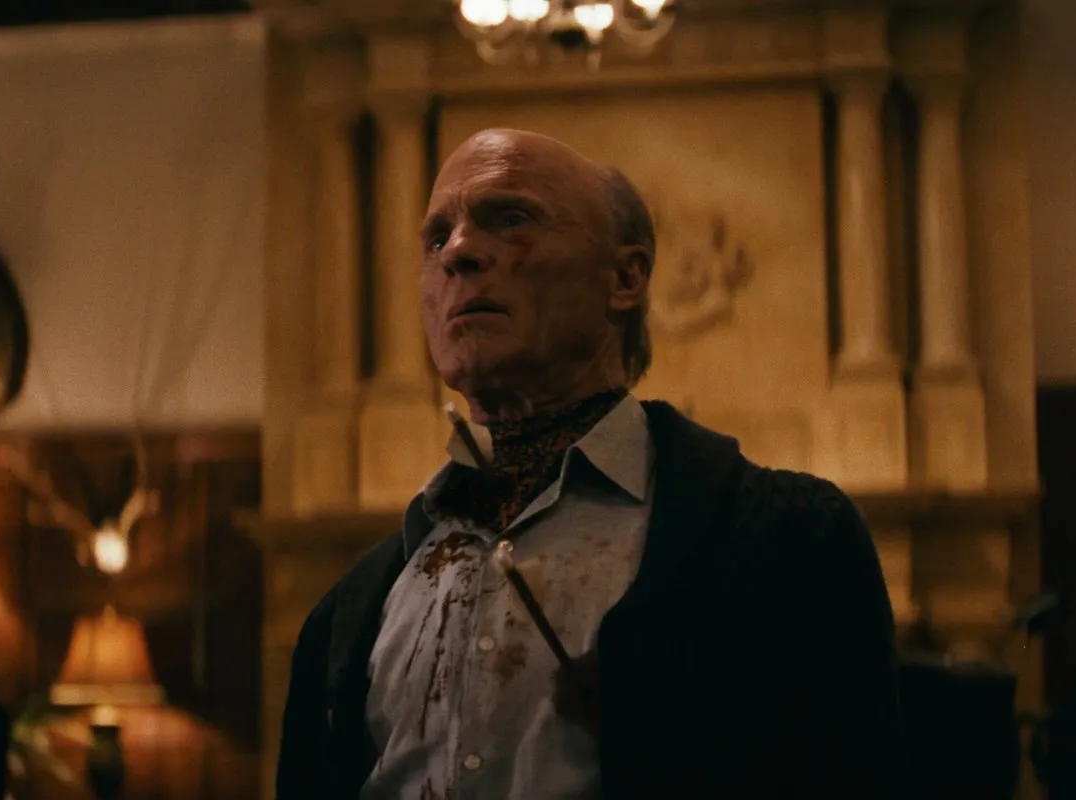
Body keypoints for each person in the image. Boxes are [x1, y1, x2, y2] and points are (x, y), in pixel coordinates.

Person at [277, 128, 909, 800]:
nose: (458, 251)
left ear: (625, 277)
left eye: (510, 218)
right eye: (437, 239)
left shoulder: (793, 543)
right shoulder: (346, 615)